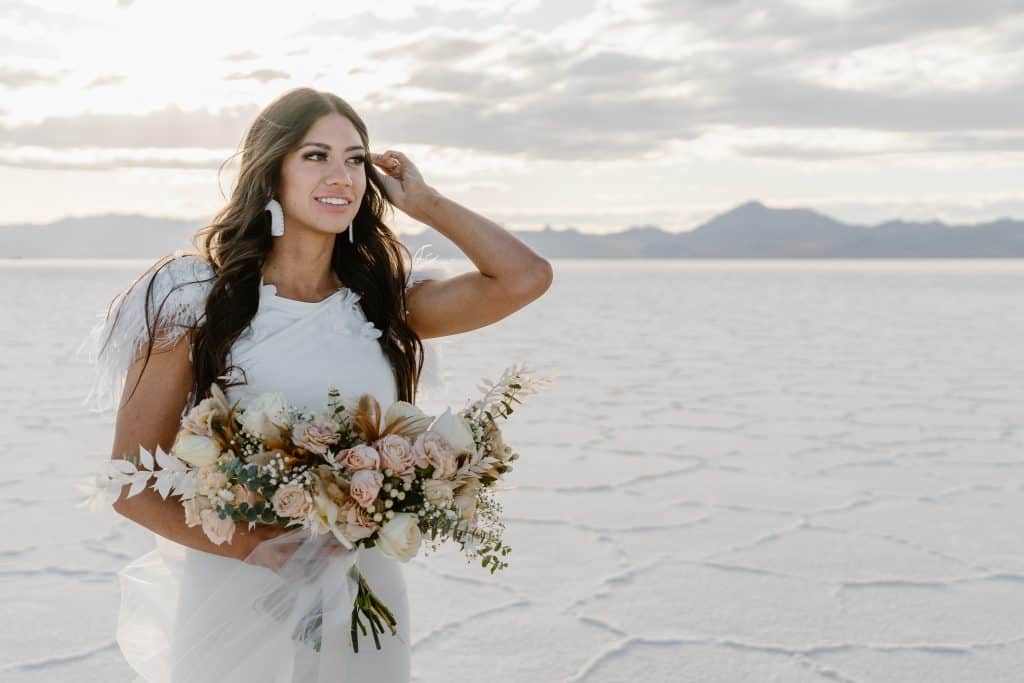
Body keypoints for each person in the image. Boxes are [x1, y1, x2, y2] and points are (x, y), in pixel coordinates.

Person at [79, 87, 553, 682]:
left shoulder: (385, 304)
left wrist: (426, 201)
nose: (342, 175)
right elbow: (131, 481)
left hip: (365, 592)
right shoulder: (193, 300)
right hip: (240, 589)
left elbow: (526, 277)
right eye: (315, 155)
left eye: (356, 159)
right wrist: (255, 547)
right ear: (270, 170)